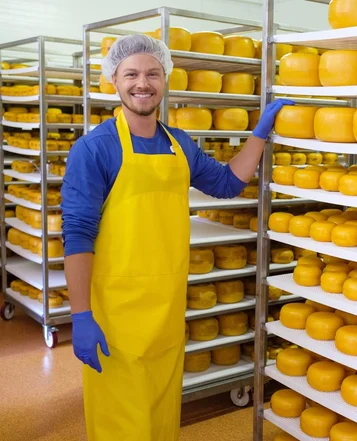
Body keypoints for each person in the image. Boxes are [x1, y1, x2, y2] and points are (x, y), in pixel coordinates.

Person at [61, 34, 292, 440]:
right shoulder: (93, 149)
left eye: (153, 73)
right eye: (130, 74)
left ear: (165, 79)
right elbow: (78, 234)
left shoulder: (179, 144)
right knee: (122, 420)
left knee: (162, 416)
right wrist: (81, 315)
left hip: (167, 310)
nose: (142, 83)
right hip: (115, 317)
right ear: (113, 79)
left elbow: (225, 183)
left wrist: (258, 134)